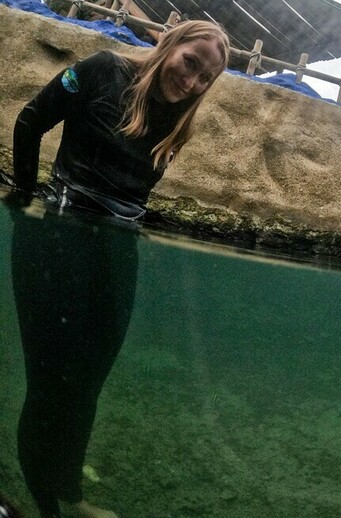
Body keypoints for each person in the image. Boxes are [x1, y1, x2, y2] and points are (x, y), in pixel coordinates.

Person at [8, 20, 230, 518]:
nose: (192, 81)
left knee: (87, 385)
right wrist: (24, 203)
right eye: (190, 61)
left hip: (116, 255)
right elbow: (29, 120)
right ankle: (41, 507)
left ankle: (70, 495)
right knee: (49, 384)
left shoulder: (178, 124)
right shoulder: (104, 70)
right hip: (58, 242)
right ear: (169, 44)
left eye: (205, 78)